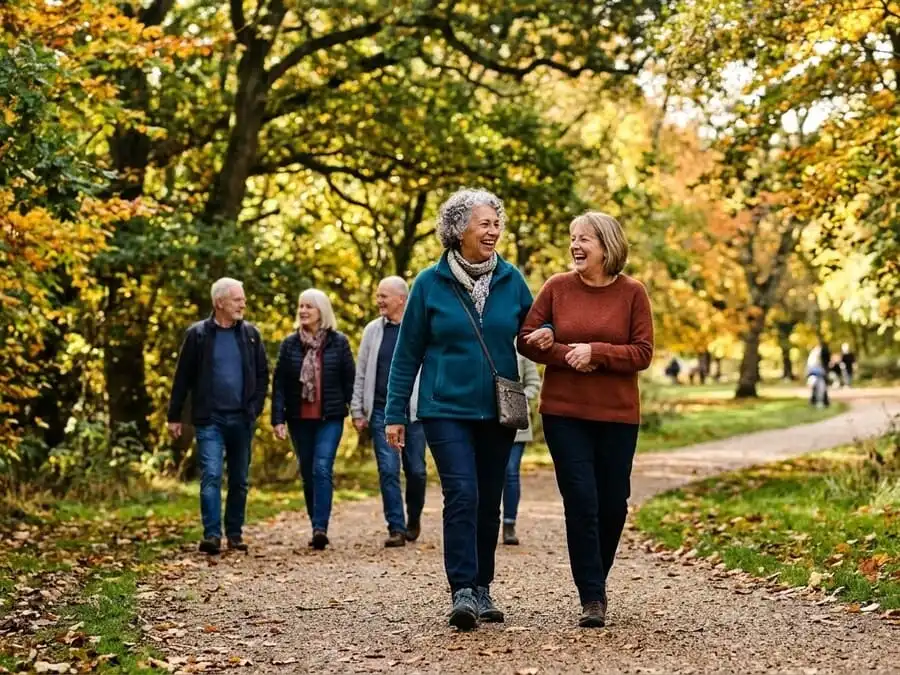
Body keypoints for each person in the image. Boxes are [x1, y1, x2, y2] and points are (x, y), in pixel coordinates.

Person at [384, 188, 533, 631]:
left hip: (496, 410)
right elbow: (407, 353)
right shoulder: (429, 283)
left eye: (496, 223)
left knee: (489, 499)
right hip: (443, 407)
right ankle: (462, 589)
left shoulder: (512, 279)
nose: (494, 230)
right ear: (458, 229)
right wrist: (395, 412)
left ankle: (483, 587)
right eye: (485, 223)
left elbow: (535, 333)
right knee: (463, 493)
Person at [518, 211, 654, 628]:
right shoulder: (556, 287)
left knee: (613, 504)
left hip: (617, 414)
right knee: (581, 500)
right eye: (573, 239)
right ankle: (591, 595)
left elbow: (643, 353)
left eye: (585, 239)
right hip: (565, 412)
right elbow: (527, 339)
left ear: (607, 246)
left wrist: (596, 352)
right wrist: (559, 351)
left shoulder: (633, 293)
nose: (576, 246)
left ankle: (596, 576)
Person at [166, 278, 269, 555]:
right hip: (209, 418)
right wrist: (174, 416)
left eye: (243, 299)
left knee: (239, 479)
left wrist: (255, 407)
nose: (243, 304)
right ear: (219, 302)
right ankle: (212, 535)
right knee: (211, 475)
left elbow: (262, 375)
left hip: (241, 418)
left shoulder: (250, 335)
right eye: (237, 299)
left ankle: (234, 534)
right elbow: (182, 378)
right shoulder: (198, 335)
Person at [272, 289, 355, 551]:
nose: (303, 311)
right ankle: (314, 523)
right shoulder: (289, 345)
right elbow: (280, 385)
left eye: (309, 306)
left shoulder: (338, 343)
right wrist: (278, 419)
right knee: (308, 473)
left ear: (322, 311)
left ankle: (321, 528)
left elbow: (349, 381)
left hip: (330, 417)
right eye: (301, 306)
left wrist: (358, 413)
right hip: (299, 418)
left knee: (321, 468)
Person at [351, 276, 428, 548]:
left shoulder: (420, 328)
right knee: (388, 469)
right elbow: (362, 373)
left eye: (384, 296)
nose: (379, 301)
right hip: (382, 411)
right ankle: (396, 527)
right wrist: (358, 409)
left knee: (416, 471)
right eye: (378, 295)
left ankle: (413, 518)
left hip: (416, 413)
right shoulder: (372, 331)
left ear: (402, 300)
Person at [501, 353, 540, 546]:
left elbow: (534, 384)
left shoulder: (523, 351)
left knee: (510, 472)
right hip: (487, 419)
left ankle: (509, 524)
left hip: (515, 419)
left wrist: (517, 398)